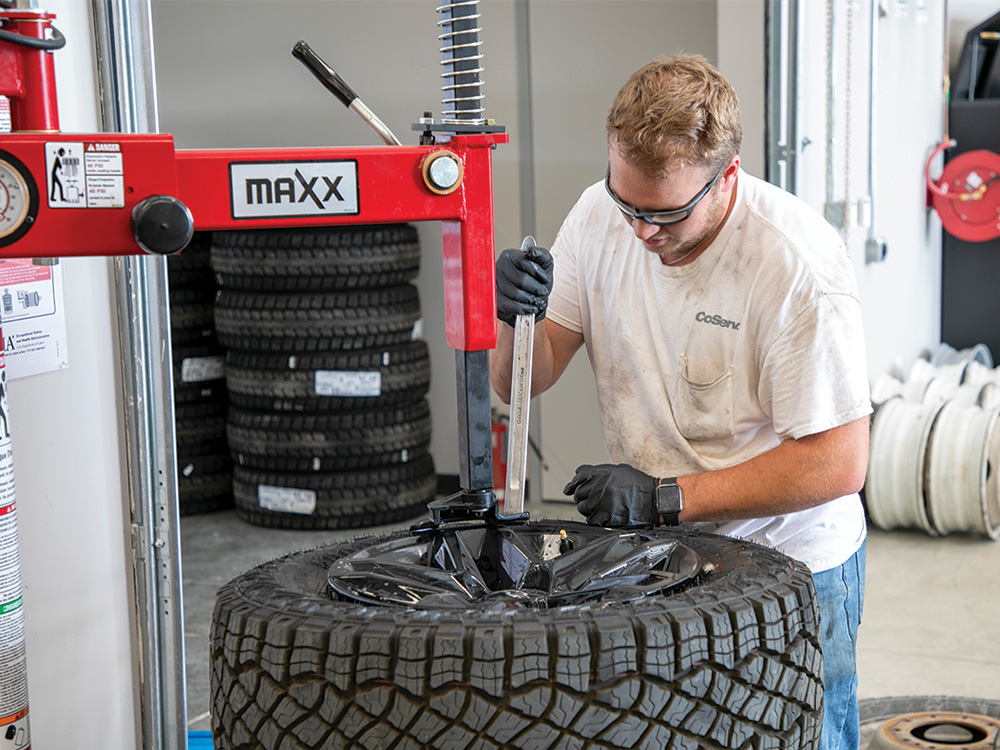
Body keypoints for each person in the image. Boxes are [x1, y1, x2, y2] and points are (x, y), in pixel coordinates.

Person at [490, 54, 871, 750]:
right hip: (661, 553)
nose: (639, 231)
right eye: (625, 202)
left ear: (727, 178)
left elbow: (839, 464)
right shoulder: (596, 218)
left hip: (791, 563)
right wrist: (513, 321)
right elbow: (524, 377)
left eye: (664, 213)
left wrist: (664, 498)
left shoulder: (795, 267)